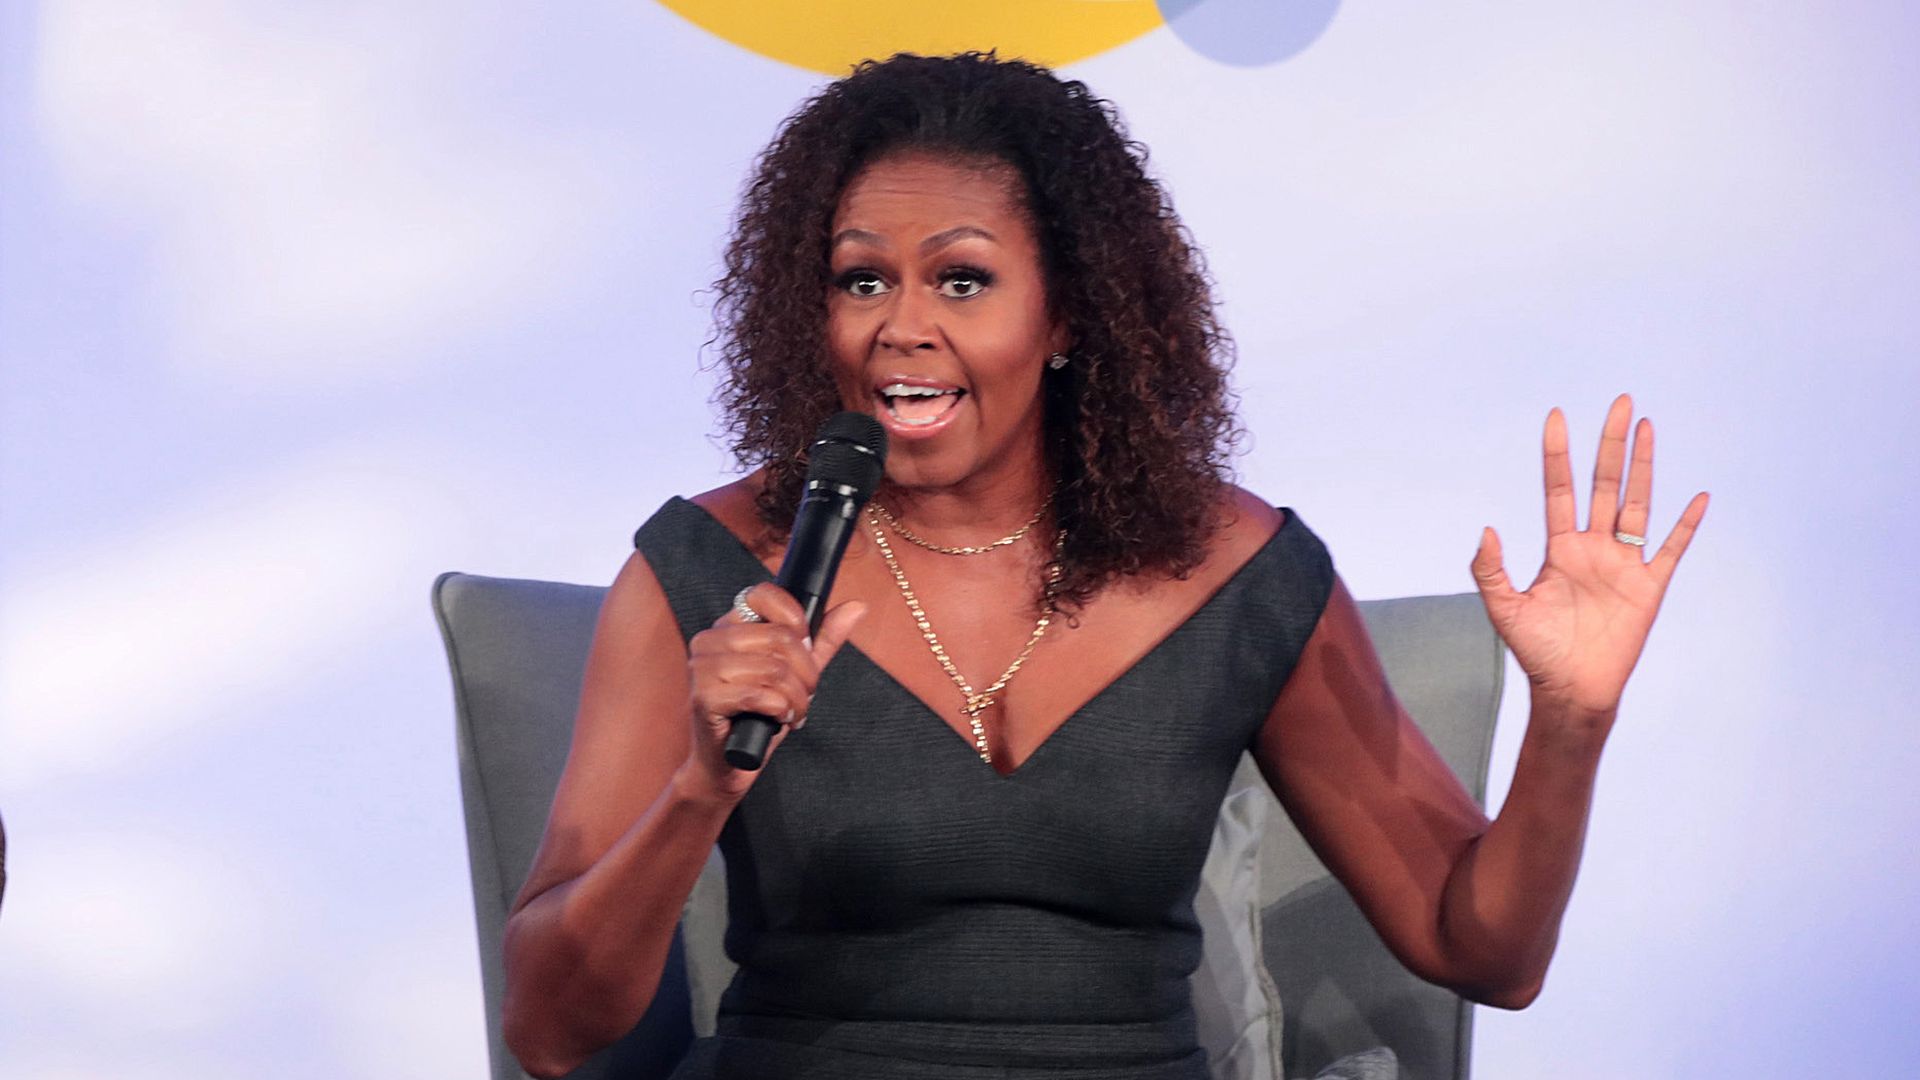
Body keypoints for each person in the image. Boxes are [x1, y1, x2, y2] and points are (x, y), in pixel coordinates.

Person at [498, 53, 1709, 1080]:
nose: (900, 326)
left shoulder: (1236, 572)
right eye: (860, 279)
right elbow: (551, 1032)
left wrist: (1572, 720)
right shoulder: (711, 568)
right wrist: (701, 787)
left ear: (1069, 316)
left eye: (962, 280)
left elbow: (1482, 952)